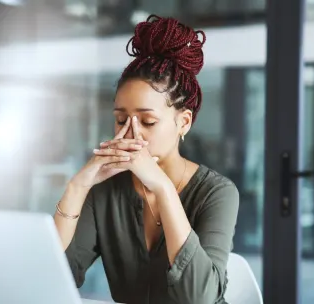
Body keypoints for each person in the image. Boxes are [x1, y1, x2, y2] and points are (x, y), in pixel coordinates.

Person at [53, 15, 240, 304]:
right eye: (120, 119)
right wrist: (77, 187)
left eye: (148, 121)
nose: (131, 133)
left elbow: (201, 298)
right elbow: (55, 277)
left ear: (184, 122)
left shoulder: (217, 193)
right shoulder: (104, 190)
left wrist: (163, 188)